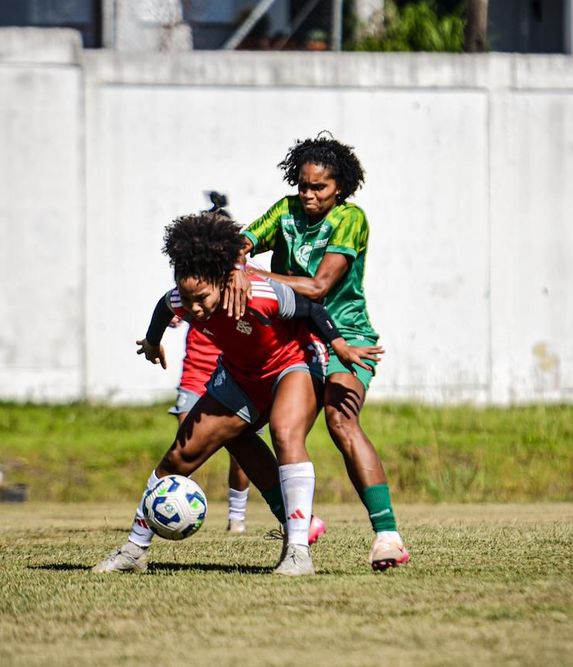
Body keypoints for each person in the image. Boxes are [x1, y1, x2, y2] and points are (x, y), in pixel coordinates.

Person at [93, 211, 381, 576]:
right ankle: (134, 550)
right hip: (241, 376)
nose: (194, 308)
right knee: (181, 455)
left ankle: (298, 554)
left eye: (201, 298)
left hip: (292, 363)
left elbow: (311, 308)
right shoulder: (183, 298)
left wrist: (338, 345)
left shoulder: (259, 293)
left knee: (285, 433)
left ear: (221, 281)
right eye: (187, 298)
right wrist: (152, 343)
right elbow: (164, 307)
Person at [226, 134, 410, 571]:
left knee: (340, 420)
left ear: (339, 187)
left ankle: (388, 537)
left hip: (346, 335)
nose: (308, 195)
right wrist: (235, 262)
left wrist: (254, 275)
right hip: (293, 339)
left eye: (319, 187)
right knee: (241, 428)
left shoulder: (350, 219)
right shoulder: (285, 211)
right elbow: (240, 243)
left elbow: (319, 286)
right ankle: (298, 520)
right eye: (303, 186)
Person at [169, 325, 252, 533]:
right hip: (196, 371)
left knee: (243, 452)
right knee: (184, 445)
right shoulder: (191, 302)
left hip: (235, 374)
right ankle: (175, 512)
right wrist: (174, 315)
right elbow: (171, 309)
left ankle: (236, 519)